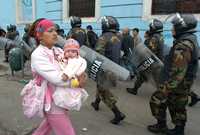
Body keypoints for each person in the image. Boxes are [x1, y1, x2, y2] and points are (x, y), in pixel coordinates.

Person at [28, 18, 86, 135]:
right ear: (39, 36)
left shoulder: (59, 50)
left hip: (62, 97)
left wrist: (81, 73)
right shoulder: (38, 55)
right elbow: (57, 79)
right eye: (50, 31)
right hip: (52, 102)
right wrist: (76, 82)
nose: (55, 33)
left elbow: (74, 63)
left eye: (55, 30)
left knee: (46, 127)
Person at [148, 13, 199, 135]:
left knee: (156, 100)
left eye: (174, 27)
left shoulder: (183, 45)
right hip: (184, 84)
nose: (172, 29)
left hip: (178, 84)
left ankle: (162, 125)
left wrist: (165, 89)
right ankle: (179, 130)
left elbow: (178, 73)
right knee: (177, 107)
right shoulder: (190, 39)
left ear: (182, 28)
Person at [91, 16, 125, 125]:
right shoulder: (119, 36)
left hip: (106, 69)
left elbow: (98, 54)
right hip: (116, 68)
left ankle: (118, 113)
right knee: (100, 86)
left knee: (103, 91)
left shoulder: (104, 37)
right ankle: (96, 103)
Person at [127, 19, 164, 95]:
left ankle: (164, 95)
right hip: (156, 60)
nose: (149, 29)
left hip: (151, 61)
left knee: (156, 79)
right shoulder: (160, 36)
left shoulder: (154, 38)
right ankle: (135, 89)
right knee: (142, 75)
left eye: (150, 27)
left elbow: (149, 50)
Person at [53, 38, 88, 111]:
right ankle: (65, 105)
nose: (70, 53)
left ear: (77, 53)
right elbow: (61, 60)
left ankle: (67, 105)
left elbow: (71, 69)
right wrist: (57, 58)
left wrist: (66, 75)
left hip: (73, 79)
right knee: (65, 93)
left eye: (73, 51)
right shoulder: (66, 59)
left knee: (71, 94)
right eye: (68, 51)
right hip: (70, 82)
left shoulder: (76, 60)